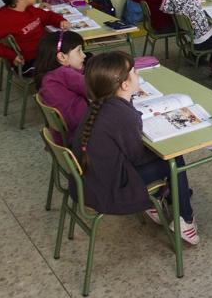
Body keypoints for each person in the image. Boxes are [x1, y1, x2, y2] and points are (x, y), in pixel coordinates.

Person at [74, 51, 199, 244]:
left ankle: (159, 196)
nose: (138, 75)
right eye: (135, 72)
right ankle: (185, 219)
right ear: (124, 85)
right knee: (174, 160)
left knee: (162, 157)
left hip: (91, 182)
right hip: (110, 190)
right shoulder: (122, 115)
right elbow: (136, 158)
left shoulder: (100, 105)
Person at [35, 30, 87, 141]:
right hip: (81, 132)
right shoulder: (64, 73)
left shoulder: (49, 75)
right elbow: (94, 88)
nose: (84, 55)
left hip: (64, 134)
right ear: (62, 57)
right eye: (79, 51)